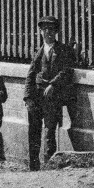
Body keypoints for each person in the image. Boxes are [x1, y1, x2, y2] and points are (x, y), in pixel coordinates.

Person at [25, 14, 76, 170]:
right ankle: (33, 165)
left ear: (56, 32)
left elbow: (66, 71)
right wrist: (27, 97)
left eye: (51, 29)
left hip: (52, 97)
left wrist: (53, 85)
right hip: (36, 96)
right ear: (41, 32)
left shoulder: (63, 50)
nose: (48, 32)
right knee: (33, 130)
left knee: (49, 131)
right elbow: (30, 74)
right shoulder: (37, 51)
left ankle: (49, 164)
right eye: (45, 29)